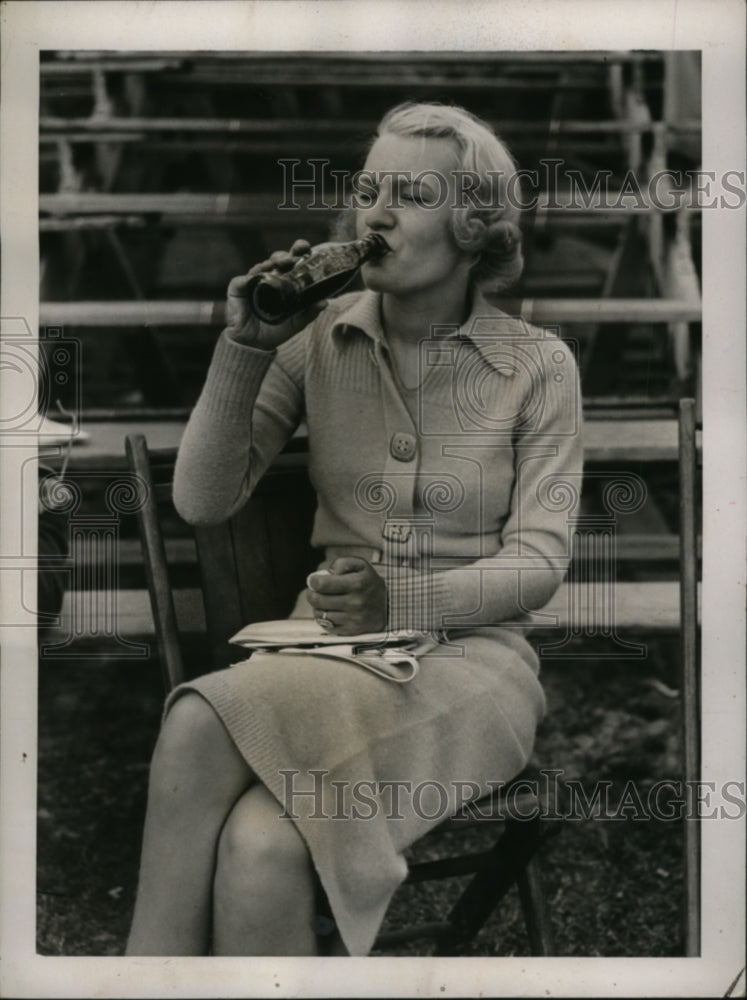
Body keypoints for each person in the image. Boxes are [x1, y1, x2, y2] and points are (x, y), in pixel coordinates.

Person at [126, 101, 583, 957]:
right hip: (322, 654)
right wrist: (247, 346)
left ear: (473, 225)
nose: (375, 215)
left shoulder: (537, 366)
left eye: (410, 195)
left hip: (470, 670)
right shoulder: (313, 343)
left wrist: (399, 601)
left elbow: (538, 563)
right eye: (368, 191)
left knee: (197, 722)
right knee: (260, 849)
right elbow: (202, 500)